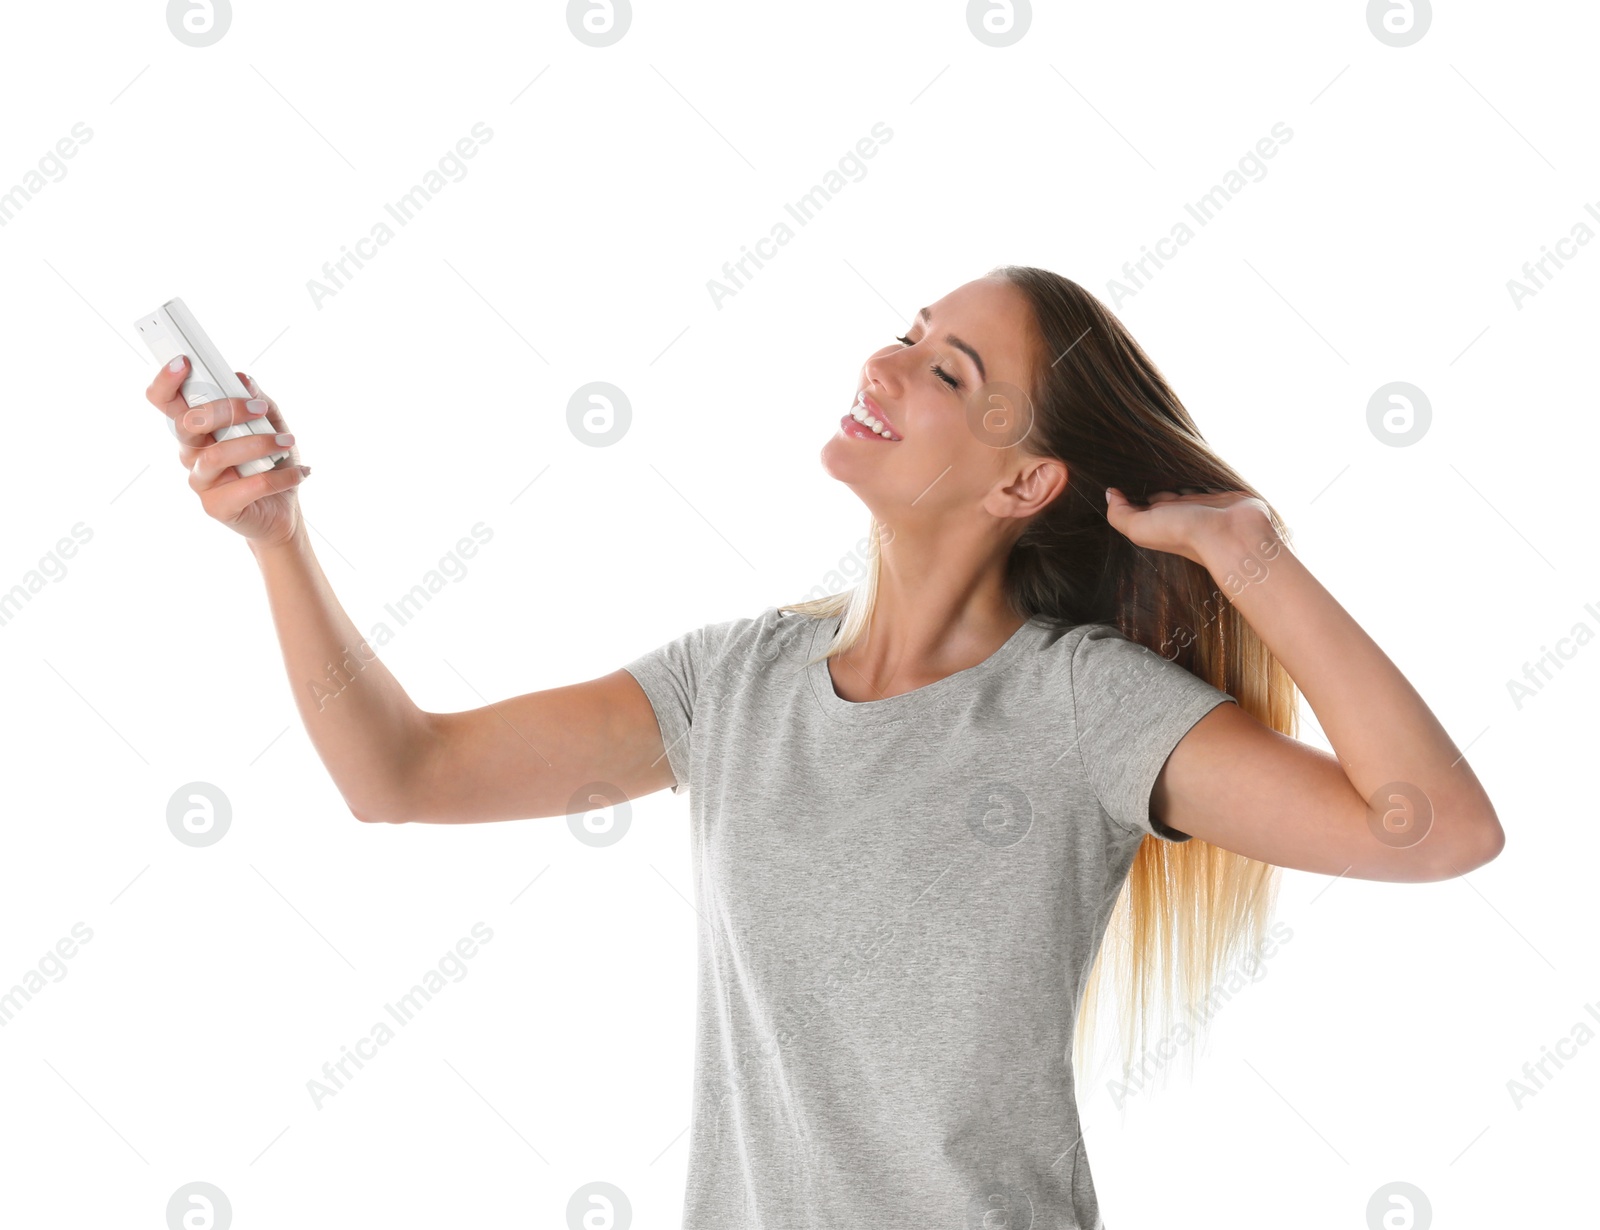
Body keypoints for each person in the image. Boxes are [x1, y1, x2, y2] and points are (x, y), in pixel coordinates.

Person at [144, 265, 1504, 1228]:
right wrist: (277, 540)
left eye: (945, 369)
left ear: (1023, 482)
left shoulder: (1084, 705)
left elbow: (1434, 826)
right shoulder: (734, 684)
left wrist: (1252, 556)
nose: (885, 362)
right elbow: (402, 775)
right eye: (910, 331)